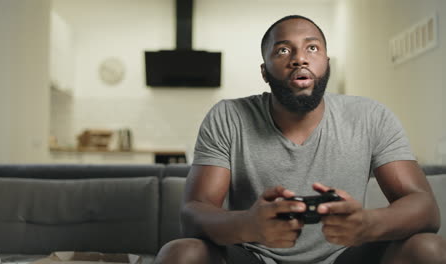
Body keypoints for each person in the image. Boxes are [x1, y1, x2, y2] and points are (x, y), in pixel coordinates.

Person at [154, 15, 446, 264]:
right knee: (181, 253)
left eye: (312, 47)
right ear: (264, 72)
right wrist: (249, 225)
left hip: (346, 256)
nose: (299, 58)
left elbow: (426, 209)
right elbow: (192, 214)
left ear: (326, 63)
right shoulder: (229, 116)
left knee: (429, 249)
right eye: (283, 50)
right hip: (255, 255)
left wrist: (368, 224)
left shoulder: (370, 116)